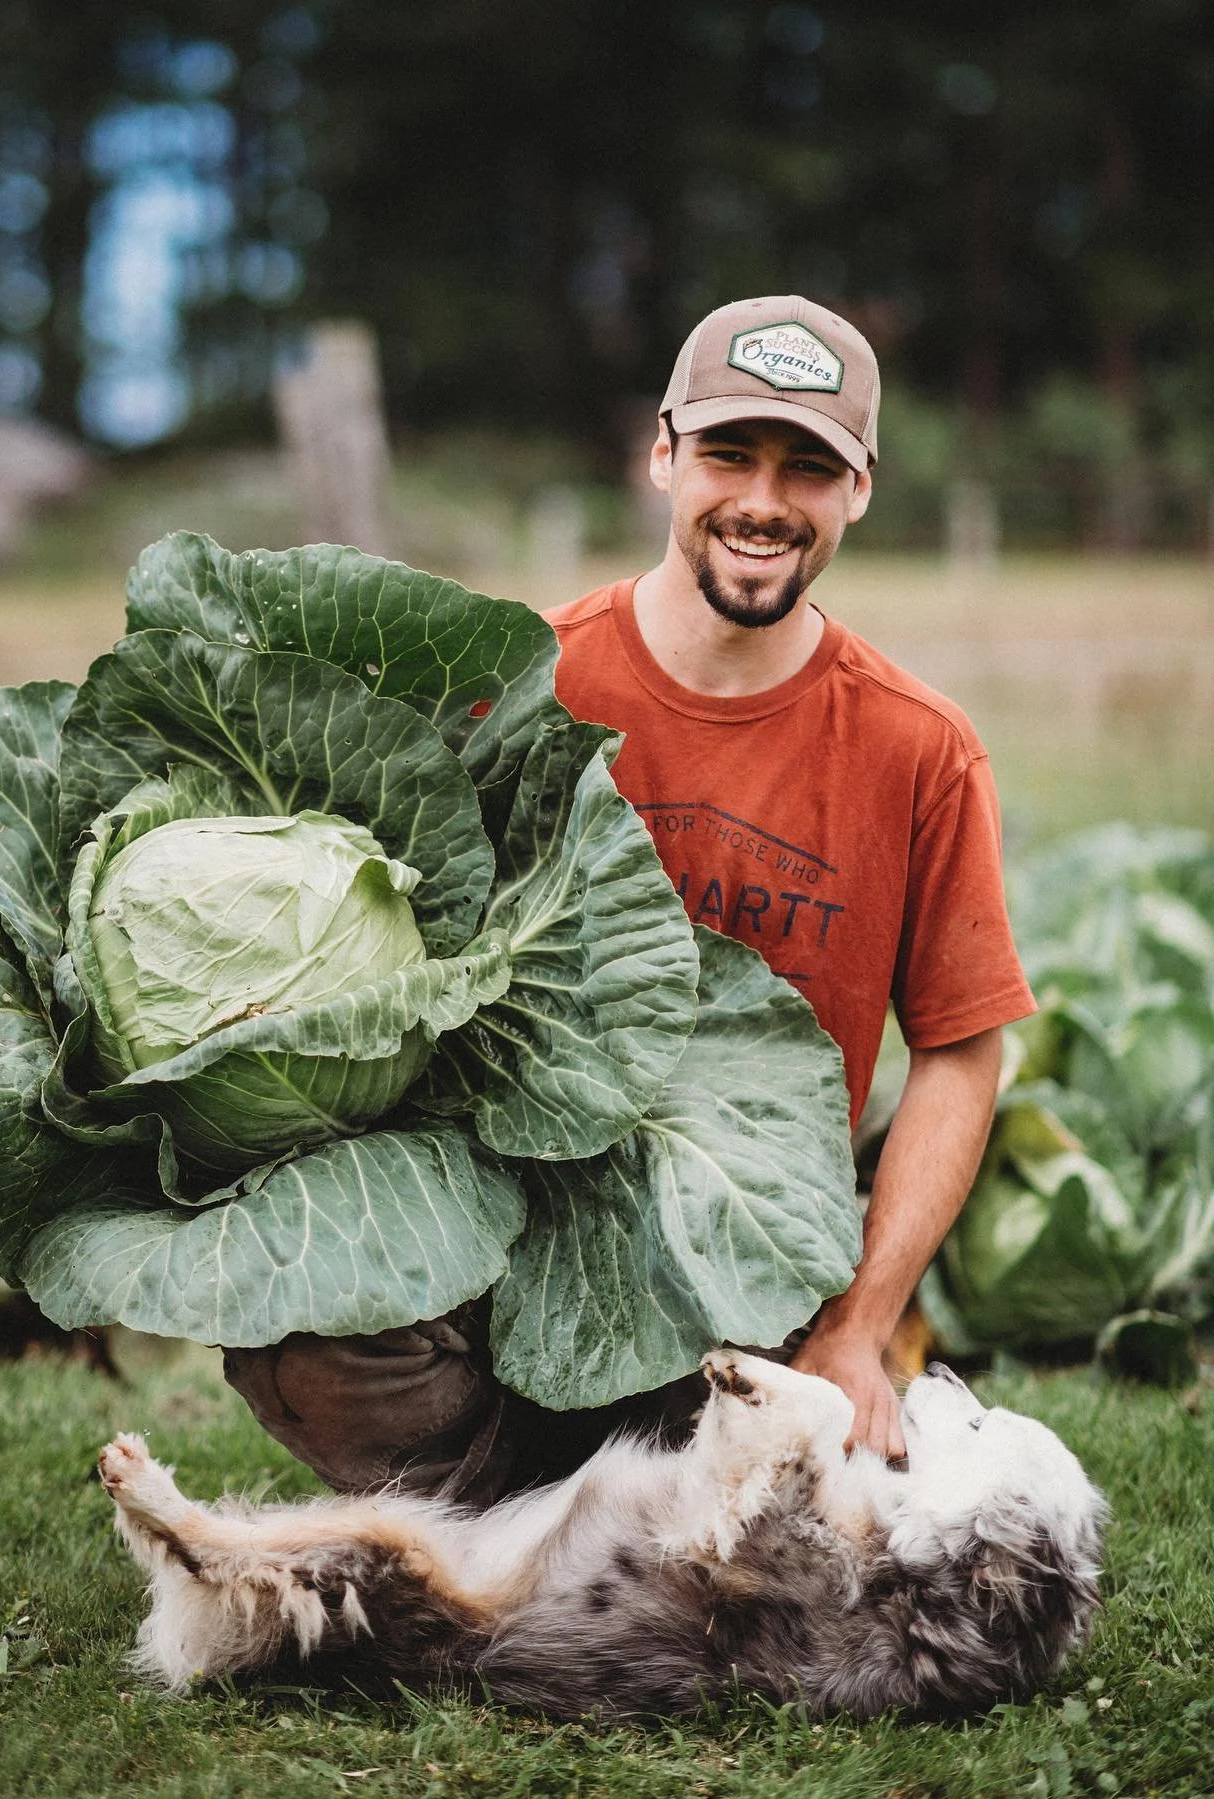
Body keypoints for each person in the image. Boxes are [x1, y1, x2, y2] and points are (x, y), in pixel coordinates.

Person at [223, 295, 1035, 1494]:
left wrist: (859, 1326)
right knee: (299, 1327)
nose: (764, 500)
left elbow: (963, 1053)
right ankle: (541, 1521)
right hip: (492, 1237)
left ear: (859, 491)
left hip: (729, 1267)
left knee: (748, 1472)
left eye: (810, 468)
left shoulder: (920, 750)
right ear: (661, 454)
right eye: (729, 454)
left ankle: (512, 1540)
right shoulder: (518, 686)